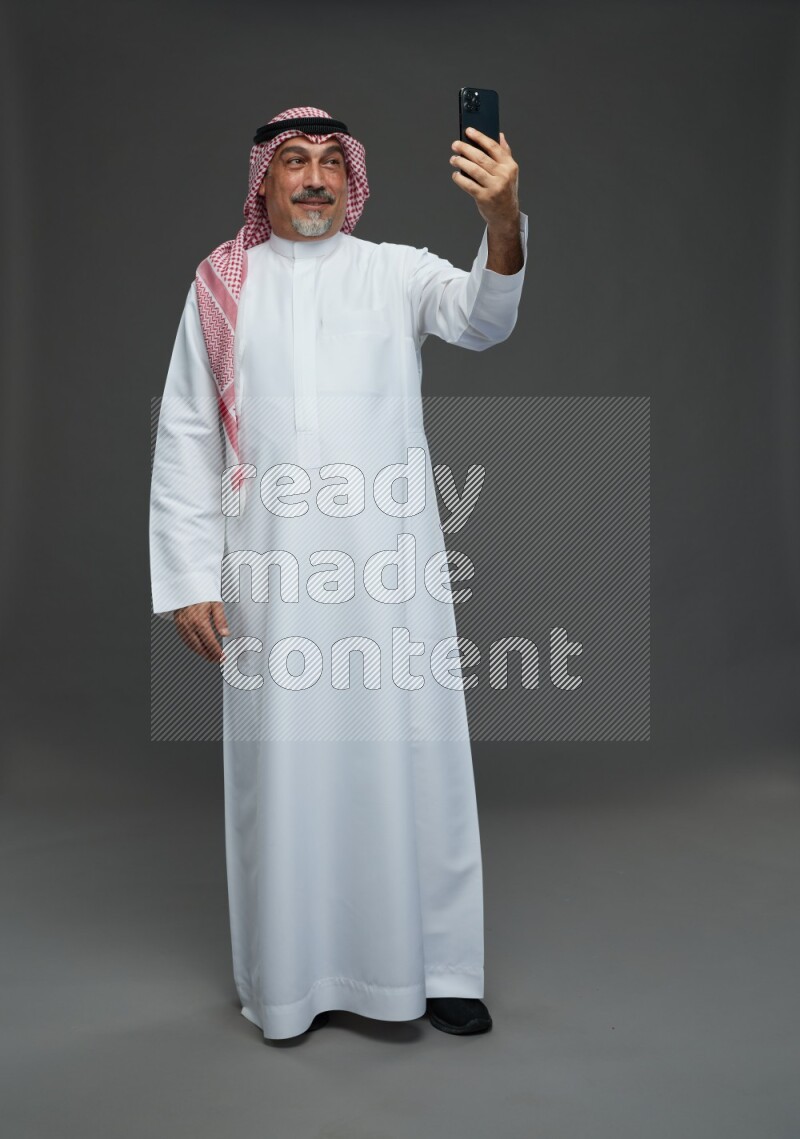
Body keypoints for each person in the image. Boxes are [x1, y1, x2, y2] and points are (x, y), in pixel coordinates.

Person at [149, 105, 528, 1041]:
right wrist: (190, 577)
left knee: (417, 754)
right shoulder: (220, 286)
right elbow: (188, 434)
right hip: (271, 576)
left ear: (348, 179)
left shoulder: (393, 271)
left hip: (390, 570)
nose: (313, 177)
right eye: (293, 162)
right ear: (262, 181)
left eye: (328, 161)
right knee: (288, 772)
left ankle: (440, 967)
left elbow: (482, 321)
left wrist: (504, 221)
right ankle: (294, 977)